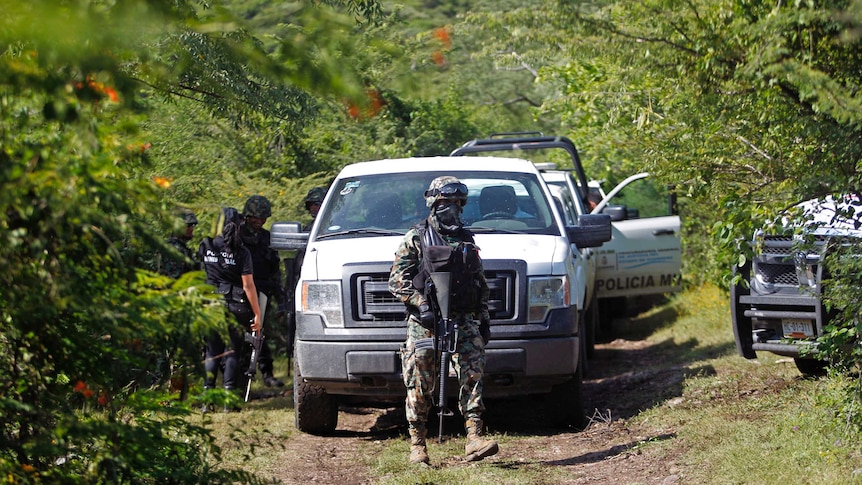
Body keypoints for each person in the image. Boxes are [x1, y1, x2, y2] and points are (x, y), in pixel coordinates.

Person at [389, 176, 499, 465]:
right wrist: (421, 303)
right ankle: (417, 444)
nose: (452, 208)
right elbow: (396, 280)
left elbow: (479, 280)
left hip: (463, 317)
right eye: (445, 202)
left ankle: (474, 438)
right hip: (426, 320)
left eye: (456, 203)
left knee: (473, 370)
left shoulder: (466, 237)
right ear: (433, 203)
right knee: (419, 378)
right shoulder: (417, 237)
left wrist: (484, 316)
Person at [200, 208, 262, 404]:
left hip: (210, 305)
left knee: (212, 352)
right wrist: (257, 314)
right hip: (236, 307)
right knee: (232, 352)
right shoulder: (242, 251)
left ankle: (207, 400)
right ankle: (228, 399)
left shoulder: (206, 245)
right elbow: (248, 285)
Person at [241, 195, 285, 388]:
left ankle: (267, 373)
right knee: (241, 334)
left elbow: (274, 267)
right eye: (255, 217)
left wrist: (280, 295)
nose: (258, 221)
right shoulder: (238, 235)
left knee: (260, 332)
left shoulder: (267, 238)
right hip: (241, 291)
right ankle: (239, 375)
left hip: (263, 291)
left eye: (262, 218)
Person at [157, 209, 199, 278]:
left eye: (193, 225)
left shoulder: (182, 248)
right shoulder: (173, 249)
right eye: (188, 225)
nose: (191, 229)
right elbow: (174, 280)